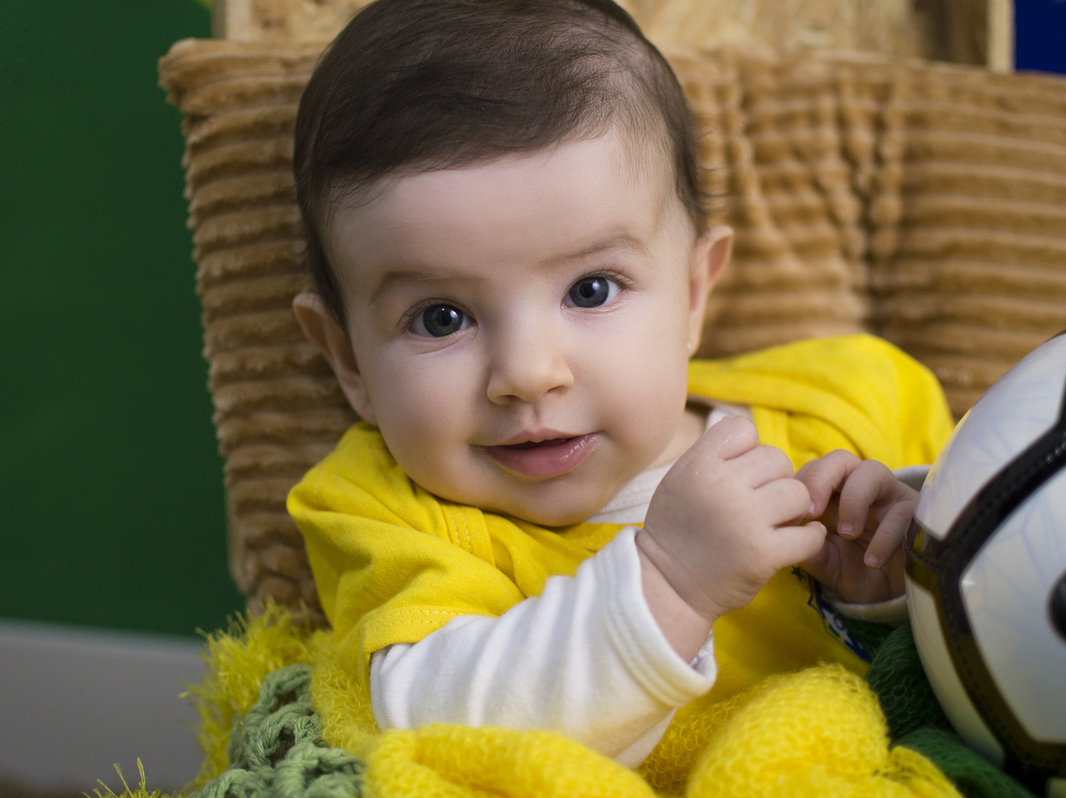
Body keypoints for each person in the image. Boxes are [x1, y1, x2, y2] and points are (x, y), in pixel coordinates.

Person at [287, 0, 953, 770]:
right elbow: (429, 729)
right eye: (441, 318)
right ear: (347, 359)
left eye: (592, 290)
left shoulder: (849, 406)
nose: (530, 373)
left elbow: (1024, 619)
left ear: (694, 292)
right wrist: (668, 584)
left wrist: (895, 583)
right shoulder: (385, 512)